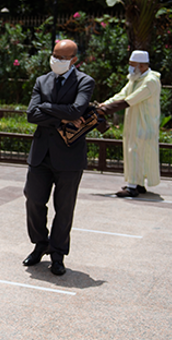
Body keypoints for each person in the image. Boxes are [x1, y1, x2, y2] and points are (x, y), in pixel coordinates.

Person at [23, 40, 95, 276]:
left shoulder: (84, 81)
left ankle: (57, 254)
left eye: (63, 58)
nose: (57, 61)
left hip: (69, 156)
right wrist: (61, 116)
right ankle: (40, 243)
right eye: (55, 55)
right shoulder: (41, 81)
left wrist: (47, 108)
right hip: (41, 154)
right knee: (33, 200)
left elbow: (77, 110)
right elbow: (31, 115)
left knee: (64, 208)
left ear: (75, 59)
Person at [98, 50, 161, 197]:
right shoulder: (135, 79)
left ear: (142, 66)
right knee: (136, 153)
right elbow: (122, 94)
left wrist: (105, 110)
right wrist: (103, 104)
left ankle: (132, 187)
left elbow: (131, 99)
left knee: (135, 152)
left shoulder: (150, 81)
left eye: (133, 65)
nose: (130, 68)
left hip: (144, 124)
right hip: (135, 123)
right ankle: (138, 184)